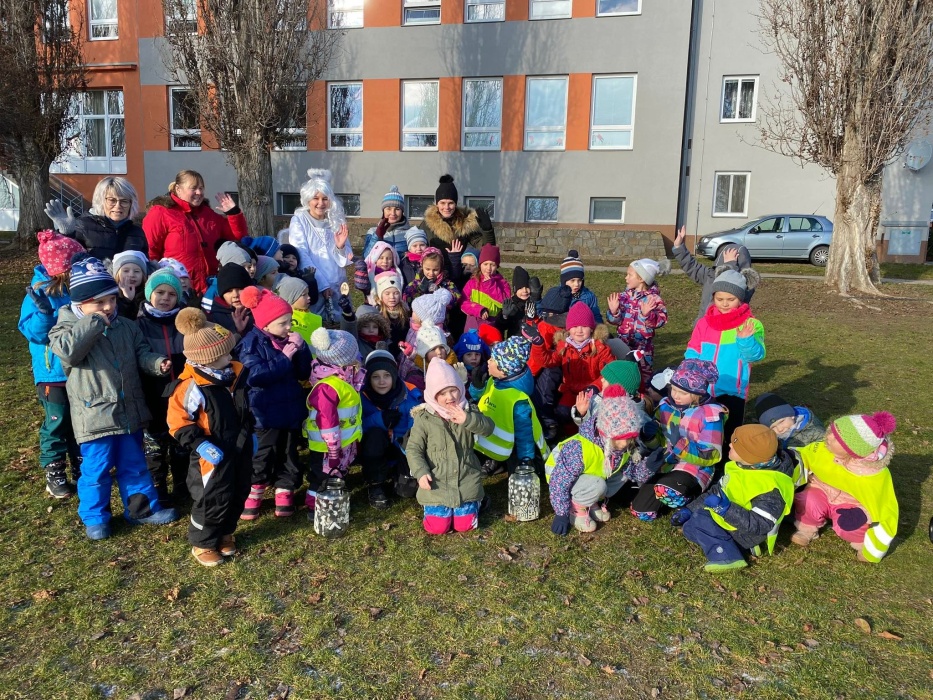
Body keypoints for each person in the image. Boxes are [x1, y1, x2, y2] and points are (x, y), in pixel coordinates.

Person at [48, 254, 178, 540]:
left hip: (128, 412)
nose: (108, 307)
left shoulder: (126, 326)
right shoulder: (65, 329)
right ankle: (96, 517)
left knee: (135, 465)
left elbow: (141, 352)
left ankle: (141, 510)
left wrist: (156, 363)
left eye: (111, 300)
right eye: (99, 303)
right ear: (80, 304)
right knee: (96, 470)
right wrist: (94, 322)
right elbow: (68, 352)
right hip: (94, 416)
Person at [166, 308, 253, 567]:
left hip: (239, 444)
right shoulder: (191, 386)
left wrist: (250, 432)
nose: (230, 356)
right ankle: (203, 541)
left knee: (239, 489)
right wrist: (199, 443)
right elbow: (177, 421)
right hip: (212, 452)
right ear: (207, 359)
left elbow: (244, 408)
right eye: (224, 354)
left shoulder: (233, 375)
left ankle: (226, 532)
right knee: (213, 496)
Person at [18, 230, 86, 498]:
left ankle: (81, 465)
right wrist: (45, 313)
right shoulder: (38, 292)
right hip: (53, 372)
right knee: (57, 421)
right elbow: (34, 333)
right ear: (63, 268)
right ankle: (55, 471)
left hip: (78, 368)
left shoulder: (78, 288)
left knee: (80, 420)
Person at [674, 424, 796, 572]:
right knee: (690, 527)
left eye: (736, 444)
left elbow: (760, 524)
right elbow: (716, 490)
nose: (730, 444)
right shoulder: (740, 466)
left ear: (750, 455)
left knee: (700, 520)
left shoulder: (771, 486)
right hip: (728, 519)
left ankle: (728, 557)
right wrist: (689, 509)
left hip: (747, 533)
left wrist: (726, 509)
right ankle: (736, 546)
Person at [237, 287, 312, 519]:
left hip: (290, 408)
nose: (289, 327)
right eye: (283, 323)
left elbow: (303, 372)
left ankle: (285, 490)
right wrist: (284, 357)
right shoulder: (251, 344)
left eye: (290, 321)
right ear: (266, 325)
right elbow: (255, 376)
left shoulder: (287, 341)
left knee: (289, 452)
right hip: (265, 411)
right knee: (264, 453)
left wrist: (302, 349)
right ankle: (255, 490)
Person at [791, 412, 898, 563]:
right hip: (822, 490)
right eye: (832, 431)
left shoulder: (873, 475)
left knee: (851, 524)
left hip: (850, 504)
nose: (828, 437)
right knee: (807, 499)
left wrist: (873, 551)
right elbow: (802, 455)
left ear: (852, 450)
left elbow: (885, 512)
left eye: (837, 438)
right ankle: (807, 528)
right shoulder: (822, 449)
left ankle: (862, 543)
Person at [630, 360, 727, 521]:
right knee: (641, 511)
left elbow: (712, 455)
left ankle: (693, 497)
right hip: (665, 463)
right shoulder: (665, 406)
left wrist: (680, 445)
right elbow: (659, 443)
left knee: (669, 490)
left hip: (693, 467)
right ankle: (666, 493)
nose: (675, 395)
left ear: (697, 393)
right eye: (673, 389)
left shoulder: (711, 415)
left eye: (682, 393)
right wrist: (649, 437)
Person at [684, 267, 765, 461]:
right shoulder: (704, 323)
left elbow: (756, 355)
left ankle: (728, 464)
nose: (725, 304)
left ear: (741, 299)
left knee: (730, 431)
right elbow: (693, 349)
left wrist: (745, 341)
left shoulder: (751, 324)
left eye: (731, 299)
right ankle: (704, 460)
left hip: (732, 390)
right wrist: (689, 373)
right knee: (704, 427)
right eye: (720, 299)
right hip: (703, 388)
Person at [407, 358, 495, 535]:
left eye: (453, 390)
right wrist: (420, 472)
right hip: (437, 481)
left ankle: (476, 502)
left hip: (466, 477)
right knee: (437, 528)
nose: (450, 397)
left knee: (465, 526)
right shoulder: (424, 418)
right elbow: (413, 448)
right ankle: (433, 508)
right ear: (433, 395)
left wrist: (468, 419)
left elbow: (488, 428)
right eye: (443, 393)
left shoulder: (468, 410)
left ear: (460, 388)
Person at [545, 386, 646, 534]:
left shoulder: (624, 447)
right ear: (605, 433)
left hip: (590, 477)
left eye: (629, 437)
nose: (625, 443)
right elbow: (560, 481)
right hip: (560, 475)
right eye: (619, 438)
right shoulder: (579, 448)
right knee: (598, 483)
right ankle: (577, 507)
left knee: (623, 475)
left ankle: (590, 501)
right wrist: (561, 513)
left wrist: (649, 466)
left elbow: (632, 472)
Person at [143, 170, 249, 294]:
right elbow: (150, 251)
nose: (199, 192)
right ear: (178, 189)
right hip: (177, 288)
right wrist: (156, 284)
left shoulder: (208, 214)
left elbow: (237, 237)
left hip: (210, 287)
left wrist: (233, 213)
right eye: (193, 188)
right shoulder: (161, 213)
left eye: (201, 188)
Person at [136, 268, 189, 503]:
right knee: (154, 446)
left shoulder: (184, 322)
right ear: (150, 294)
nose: (166, 298)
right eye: (160, 292)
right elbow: (138, 356)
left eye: (172, 294)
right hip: (152, 394)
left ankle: (182, 484)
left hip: (181, 394)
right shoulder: (139, 324)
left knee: (181, 441)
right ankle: (157, 486)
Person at [304, 328, 365, 515]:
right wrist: (332, 450)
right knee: (323, 475)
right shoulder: (328, 387)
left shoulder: (341, 376)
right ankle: (315, 506)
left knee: (335, 472)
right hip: (328, 445)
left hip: (342, 441)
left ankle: (331, 502)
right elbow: (327, 420)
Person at [527, 301, 613, 429]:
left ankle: (589, 430)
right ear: (568, 328)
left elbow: (610, 372)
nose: (579, 330)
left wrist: (595, 387)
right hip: (571, 392)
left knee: (592, 418)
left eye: (584, 326)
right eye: (575, 326)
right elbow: (547, 361)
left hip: (593, 392)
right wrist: (538, 344)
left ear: (591, 328)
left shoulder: (600, 348)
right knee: (563, 414)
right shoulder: (564, 345)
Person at [470, 336, 547, 476]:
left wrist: (526, 459)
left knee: (517, 471)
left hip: (510, 446)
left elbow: (524, 434)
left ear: (503, 370)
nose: (488, 361)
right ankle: (495, 462)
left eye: (493, 359)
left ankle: (530, 465)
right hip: (489, 438)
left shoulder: (518, 400)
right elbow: (479, 398)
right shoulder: (495, 380)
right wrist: (477, 386)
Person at [359, 347, 424, 509]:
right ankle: (375, 483)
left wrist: (408, 447)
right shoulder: (361, 395)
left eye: (387, 375)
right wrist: (379, 419)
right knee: (374, 435)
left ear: (394, 376)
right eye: (376, 377)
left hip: (401, 446)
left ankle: (397, 472)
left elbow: (416, 426)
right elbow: (357, 426)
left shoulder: (409, 393)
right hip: (374, 448)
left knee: (407, 491)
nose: (382, 381)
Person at [287, 169, 353, 315]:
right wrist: (322, 284)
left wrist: (340, 247)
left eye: (325, 198)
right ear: (308, 200)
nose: (320, 203)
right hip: (314, 283)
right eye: (316, 198)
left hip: (337, 283)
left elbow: (346, 257)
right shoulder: (299, 220)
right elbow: (301, 253)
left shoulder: (335, 219)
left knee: (341, 319)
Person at [45, 176, 149, 260]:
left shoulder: (137, 232)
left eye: (124, 201)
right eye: (112, 200)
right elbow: (64, 260)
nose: (118, 206)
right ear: (101, 201)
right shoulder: (83, 226)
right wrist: (66, 234)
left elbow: (144, 265)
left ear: (131, 204)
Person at [606, 257, 670, 389]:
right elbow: (614, 321)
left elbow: (662, 319)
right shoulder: (624, 297)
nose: (626, 278)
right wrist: (614, 312)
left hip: (643, 348)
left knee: (643, 377)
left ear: (641, 278)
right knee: (622, 375)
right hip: (623, 344)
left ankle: (643, 397)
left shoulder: (654, 299)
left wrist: (647, 316)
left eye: (630, 275)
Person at [671, 225, 755, 321]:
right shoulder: (711, 275)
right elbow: (692, 266)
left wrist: (730, 265)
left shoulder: (745, 285)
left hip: (728, 325)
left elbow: (733, 285)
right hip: (704, 325)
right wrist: (679, 247)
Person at [420, 175, 495, 255]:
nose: (446, 207)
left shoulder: (465, 222)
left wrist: (488, 231)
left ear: (455, 204)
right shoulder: (427, 224)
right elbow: (416, 249)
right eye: (442, 203)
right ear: (437, 204)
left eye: (450, 203)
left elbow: (486, 250)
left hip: (457, 263)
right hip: (434, 263)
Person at [461, 244, 510, 334]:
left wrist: (491, 286)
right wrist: (479, 310)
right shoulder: (472, 282)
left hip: (493, 325)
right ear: (480, 265)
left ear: (497, 266)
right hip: (473, 325)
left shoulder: (502, 283)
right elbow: (463, 302)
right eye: (485, 264)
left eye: (492, 265)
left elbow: (504, 303)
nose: (488, 268)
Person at [754, 392, 826, 450]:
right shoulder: (771, 436)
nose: (779, 429)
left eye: (781, 422)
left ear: (792, 415)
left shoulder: (816, 433)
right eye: (773, 427)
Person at [548, 250, 603, 323]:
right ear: (564, 281)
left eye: (579, 280)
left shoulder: (589, 296)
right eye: (572, 280)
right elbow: (544, 313)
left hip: (583, 328)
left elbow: (596, 316)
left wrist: (598, 327)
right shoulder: (556, 296)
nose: (577, 284)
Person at [361, 185, 414, 259]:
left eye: (397, 209)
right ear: (383, 211)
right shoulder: (372, 232)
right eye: (388, 209)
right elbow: (366, 257)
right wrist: (377, 236)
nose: (393, 213)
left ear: (402, 212)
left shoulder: (411, 233)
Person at [204, 263, 253, 340]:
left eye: (240, 289)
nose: (235, 295)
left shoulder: (258, 309)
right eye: (229, 291)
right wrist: (238, 331)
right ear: (222, 295)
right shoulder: (215, 318)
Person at [274, 275, 322, 345]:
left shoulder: (316, 319)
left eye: (308, 294)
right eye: (304, 295)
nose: (309, 297)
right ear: (291, 298)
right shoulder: (281, 319)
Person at [498, 266, 541, 339]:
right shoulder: (511, 304)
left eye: (527, 287)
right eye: (520, 288)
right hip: (515, 341)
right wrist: (504, 316)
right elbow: (502, 327)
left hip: (532, 340)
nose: (525, 290)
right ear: (515, 290)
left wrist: (537, 299)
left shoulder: (534, 302)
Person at [112, 249, 149, 320]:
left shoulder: (147, 296)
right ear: (117, 274)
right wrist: (127, 300)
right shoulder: (111, 295)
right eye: (126, 271)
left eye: (136, 271)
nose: (131, 275)